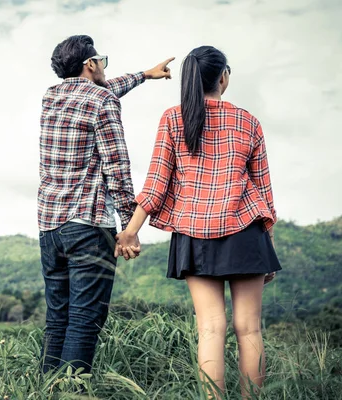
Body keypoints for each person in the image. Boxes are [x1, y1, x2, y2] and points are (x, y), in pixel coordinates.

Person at [115, 45, 281, 398]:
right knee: (249, 330)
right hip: (247, 233)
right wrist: (268, 247)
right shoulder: (249, 121)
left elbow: (156, 185)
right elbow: (264, 194)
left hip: (194, 232)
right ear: (223, 77)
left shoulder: (174, 119)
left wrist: (130, 231)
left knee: (209, 328)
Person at [37, 34, 174, 374]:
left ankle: (45, 390)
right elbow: (117, 167)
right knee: (84, 319)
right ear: (90, 64)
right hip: (88, 225)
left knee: (58, 318)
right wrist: (129, 228)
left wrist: (144, 75)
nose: (104, 68)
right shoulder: (102, 102)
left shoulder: (51, 97)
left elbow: (103, 89)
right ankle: (70, 394)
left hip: (49, 228)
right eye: (102, 62)